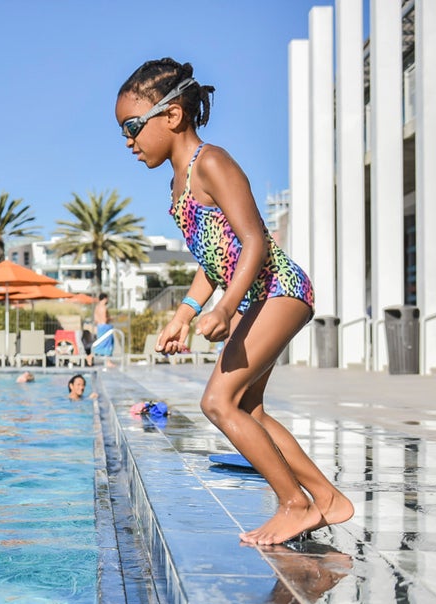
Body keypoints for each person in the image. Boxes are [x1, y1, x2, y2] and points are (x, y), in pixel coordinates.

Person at [115, 57, 353, 545]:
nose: (129, 142)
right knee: (250, 410)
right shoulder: (178, 184)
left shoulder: (213, 162)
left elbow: (254, 241)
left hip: (279, 290)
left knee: (218, 402)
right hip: (260, 297)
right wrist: (186, 312)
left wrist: (228, 306)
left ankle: (294, 505)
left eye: (133, 127)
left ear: (173, 115)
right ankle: (326, 498)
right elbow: (213, 258)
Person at [88, 294, 115, 366]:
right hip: (105, 327)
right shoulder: (104, 308)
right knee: (107, 344)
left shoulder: (97, 307)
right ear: (105, 299)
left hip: (99, 327)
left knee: (100, 342)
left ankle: (91, 356)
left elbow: (96, 319)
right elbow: (105, 319)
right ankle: (108, 361)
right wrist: (110, 318)